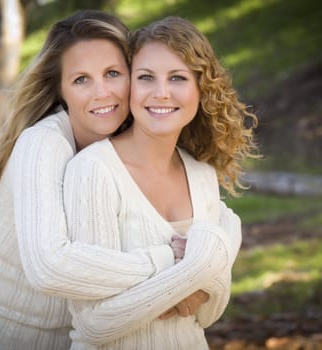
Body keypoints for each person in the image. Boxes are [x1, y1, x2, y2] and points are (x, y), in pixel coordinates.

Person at [0, 10, 182, 350]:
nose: (102, 93)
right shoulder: (42, 143)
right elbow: (49, 267)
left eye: (113, 73)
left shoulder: (127, 149)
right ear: (60, 92)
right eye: (81, 80)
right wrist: (165, 262)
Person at [63, 16, 259, 349]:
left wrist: (195, 280)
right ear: (129, 86)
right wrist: (195, 269)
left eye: (178, 78)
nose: (161, 93)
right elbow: (95, 323)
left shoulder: (202, 175)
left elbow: (208, 312)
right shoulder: (94, 170)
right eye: (146, 78)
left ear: (201, 89)